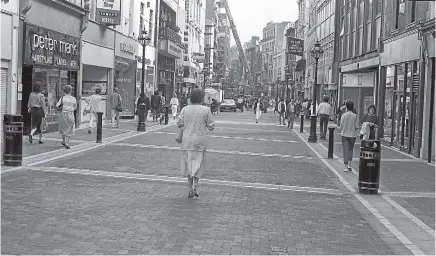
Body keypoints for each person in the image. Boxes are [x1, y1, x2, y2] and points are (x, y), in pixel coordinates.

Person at [177, 89, 215, 198]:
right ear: (201, 98)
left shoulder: (185, 109)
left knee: (188, 164)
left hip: (187, 140)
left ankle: (189, 188)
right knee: (198, 164)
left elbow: (179, 123)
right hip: (200, 141)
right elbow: (211, 125)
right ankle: (195, 186)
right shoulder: (206, 110)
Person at [340, 101, 360, 172]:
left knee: (345, 150)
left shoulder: (343, 115)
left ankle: (345, 167)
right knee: (350, 150)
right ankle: (349, 165)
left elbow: (341, 126)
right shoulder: (355, 116)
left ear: (346, 107)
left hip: (344, 134)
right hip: (352, 135)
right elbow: (357, 126)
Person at [56, 85, 77, 149]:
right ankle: (67, 143)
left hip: (63, 114)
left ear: (64, 91)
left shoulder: (62, 98)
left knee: (63, 127)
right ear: (70, 91)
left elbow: (57, 105)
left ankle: (63, 141)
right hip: (71, 114)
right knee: (69, 128)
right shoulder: (74, 99)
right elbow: (75, 107)